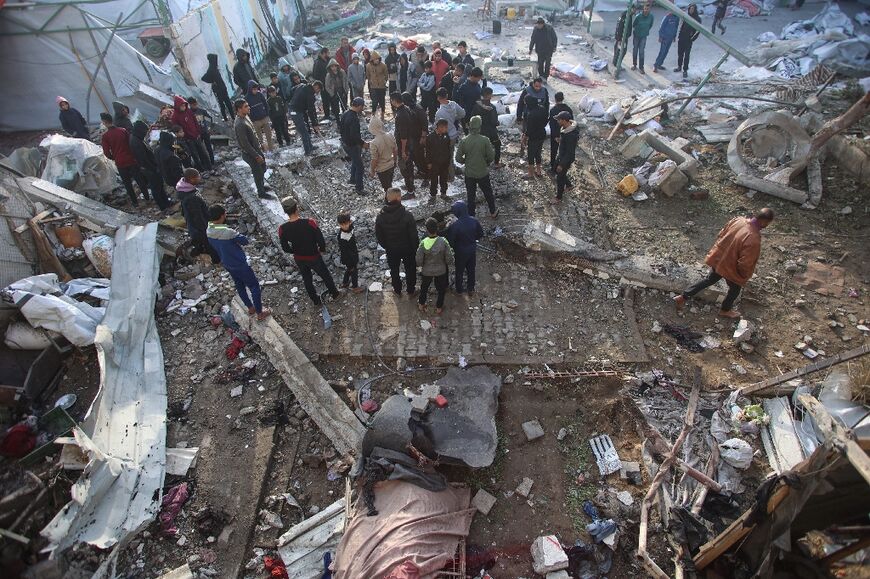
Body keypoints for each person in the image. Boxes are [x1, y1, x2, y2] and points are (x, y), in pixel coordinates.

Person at [674, 209, 775, 319]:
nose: (767, 225)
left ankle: (682, 297)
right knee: (735, 289)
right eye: (768, 223)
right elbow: (745, 263)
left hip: (719, 259)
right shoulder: (753, 238)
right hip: (731, 267)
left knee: (709, 280)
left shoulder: (738, 220)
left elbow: (721, 234)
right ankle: (725, 310)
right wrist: (744, 275)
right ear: (764, 221)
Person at [207, 204, 271, 320]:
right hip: (239, 264)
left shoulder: (209, 230)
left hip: (227, 263)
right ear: (222, 215)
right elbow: (244, 241)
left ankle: (250, 307)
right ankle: (260, 313)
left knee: (239, 285)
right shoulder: (227, 232)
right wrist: (235, 233)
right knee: (254, 286)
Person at [279, 198, 340, 305]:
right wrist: (321, 250)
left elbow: (285, 248)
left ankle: (315, 300)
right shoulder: (310, 223)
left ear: (285, 211)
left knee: (307, 279)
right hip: (313, 256)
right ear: (296, 208)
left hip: (299, 258)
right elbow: (320, 239)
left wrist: (295, 251)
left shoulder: (282, 229)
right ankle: (335, 293)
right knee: (325, 275)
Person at [376, 188, 419, 296]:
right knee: (410, 270)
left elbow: (379, 237)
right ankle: (410, 290)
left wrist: (386, 246)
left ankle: (397, 290)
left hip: (391, 249)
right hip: (407, 249)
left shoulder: (380, 217)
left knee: (394, 270)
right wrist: (415, 249)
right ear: (399, 198)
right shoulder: (408, 216)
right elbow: (414, 236)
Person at [100, 113, 149, 206]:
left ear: (104, 122)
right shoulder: (122, 130)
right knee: (139, 180)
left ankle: (135, 203)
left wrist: (114, 157)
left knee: (128, 184)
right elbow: (130, 143)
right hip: (131, 159)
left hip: (120, 162)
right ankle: (147, 197)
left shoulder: (105, 136)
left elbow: (106, 152)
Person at [456, 115, 497, 218]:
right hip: (482, 172)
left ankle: (471, 216)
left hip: (469, 173)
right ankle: (493, 212)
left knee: (471, 196)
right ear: (480, 126)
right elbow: (491, 157)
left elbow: (458, 158)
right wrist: (485, 162)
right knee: (488, 193)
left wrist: (466, 161)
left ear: (470, 126)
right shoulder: (485, 140)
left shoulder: (464, 141)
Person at [177, 168, 220, 263]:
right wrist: (207, 229)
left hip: (193, 227)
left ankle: (200, 249)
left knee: (203, 242)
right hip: (200, 228)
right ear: (192, 179)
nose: (199, 178)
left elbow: (184, 211)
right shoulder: (192, 198)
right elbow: (198, 218)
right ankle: (217, 260)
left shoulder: (185, 190)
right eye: (198, 177)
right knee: (209, 244)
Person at [233, 99, 272, 199]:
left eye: (248, 105)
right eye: (246, 106)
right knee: (257, 172)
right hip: (250, 153)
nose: (249, 107)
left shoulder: (245, 117)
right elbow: (245, 144)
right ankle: (261, 193)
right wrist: (256, 156)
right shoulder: (240, 124)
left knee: (263, 168)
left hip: (256, 149)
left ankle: (262, 186)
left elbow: (253, 133)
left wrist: (260, 144)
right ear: (239, 109)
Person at [130, 120, 171, 211]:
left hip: (150, 167)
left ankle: (166, 202)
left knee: (159, 185)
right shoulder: (136, 142)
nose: (146, 133)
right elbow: (143, 159)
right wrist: (154, 168)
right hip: (149, 169)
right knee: (156, 187)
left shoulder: (137, 138)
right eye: (145, 131)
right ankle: (163, 206)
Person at [445, 200, 483, 296]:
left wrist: (455, 248)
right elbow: (480, 234)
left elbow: (451, 241)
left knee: (459, 271)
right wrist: (473, 240)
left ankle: (459, 290)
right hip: (472, 249)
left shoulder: (455, 225)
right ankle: (471, 289)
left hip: (460, 251)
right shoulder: (474, 220)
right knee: (471, 270)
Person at [416, 218, 453, 314]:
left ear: (427, 230)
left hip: (427, 271)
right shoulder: (443, 241)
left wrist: (422, 265)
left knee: (424, 288)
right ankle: (439, 308)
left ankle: (421, 304)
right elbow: (449, 258)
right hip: (441, 271)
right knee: (441, 289)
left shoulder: (423, 242)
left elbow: (418, 260)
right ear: (437, 228)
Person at [171, 96, 212, 171]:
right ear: (178, 106)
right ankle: (201, 170)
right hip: (188, 139)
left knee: (203, 152)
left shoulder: (188, 111)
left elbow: (195, 121)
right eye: (182, 106)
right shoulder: (175, 116)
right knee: (195, 155)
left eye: (184, 105)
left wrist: (198, 132)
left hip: (196, 136)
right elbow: (176, 129)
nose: (183, 107)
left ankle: (209, 168)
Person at [391, 92, 416, 197]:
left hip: (405, 146)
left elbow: (403, 136)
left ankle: (410, 191)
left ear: (394, 101)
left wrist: (402, 151)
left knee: (405, 169)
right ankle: (411, 186)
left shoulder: (401, 115)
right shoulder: (406, 109)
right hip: (410, 143)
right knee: (409, 167)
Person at [340, 97, 367, 195]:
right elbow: (354, 135)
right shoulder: (354, 118)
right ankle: (359, 188)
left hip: (345, 143)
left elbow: (341, 129)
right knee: (360, 167)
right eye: (362, 107)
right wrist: (362, 143)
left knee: (355, 161)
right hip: (352, 145)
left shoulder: (345, 113)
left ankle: (352, 179)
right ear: (359, 106)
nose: (363, 109)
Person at [552, 111, 579, 204]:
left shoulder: (570, 135)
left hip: (565, 158)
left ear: (564, 120)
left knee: (560, 178)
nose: (557, 122)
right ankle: (569, 185)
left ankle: (558, 197)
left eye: (559, 120)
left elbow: (570, 152)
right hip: (562, 155)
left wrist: (562, 164)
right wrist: (561, 140)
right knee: (555, 169)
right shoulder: (567, 128)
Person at [289, 80, 321, 155]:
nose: (318, 92)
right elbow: (311, 111)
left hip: (293, 109)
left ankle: (310, 146)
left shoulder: (302, 85)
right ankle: (307, 151)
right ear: (316, 86)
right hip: (295, 112)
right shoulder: (310, 95)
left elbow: (292, 90)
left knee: (305, 129)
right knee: (304, 131)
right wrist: (315, 124)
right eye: (318, 90)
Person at [472, 87, 502, 168]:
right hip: (491, 131)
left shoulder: (476, 106)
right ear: (489, 95)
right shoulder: (492, 107)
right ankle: (496, 163)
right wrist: (497, 123)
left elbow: (473, 118)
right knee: (497, 145)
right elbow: (494, 121)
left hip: (480, 131)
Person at [368, 116, 397, 192]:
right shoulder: (390, 135)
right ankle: (392, 199)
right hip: (391, 164)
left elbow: (374, 159)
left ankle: (391, 201)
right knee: (389, 184)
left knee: (386, 188)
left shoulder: (374, 143)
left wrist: (372, 171)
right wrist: (395, 161)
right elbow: (395, 150)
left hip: (382, 168)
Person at [202, 53, 234, 121]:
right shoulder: (210, 69)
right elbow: (203, 78)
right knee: (223, 104)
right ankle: (226, 118)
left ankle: (232, 117)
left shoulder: (214, 68)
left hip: (222, 88)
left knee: (227, 103)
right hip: (218, 90)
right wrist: (212, 81)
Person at [336, 211, 363, 293]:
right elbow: (344, 251)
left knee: (349, 270)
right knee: (354, 271)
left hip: (353, 252)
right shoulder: (342, 237)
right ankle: (355, 287)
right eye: (342, 224)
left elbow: (351, 222)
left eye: (346, 223)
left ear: (349, 222)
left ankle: (345, 282)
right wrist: (351, 260)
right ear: (339, 224)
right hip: (349, 257)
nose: (344, 226)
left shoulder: (350, 227)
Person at [244, 81, 273, 154]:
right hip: (255, 121)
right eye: (254, 89)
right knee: (259, 138)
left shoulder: (260, 95)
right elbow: (246, 111)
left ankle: (271, 150)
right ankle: (264, 152)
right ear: (250, 89)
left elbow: (265, 104)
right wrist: (251, 119)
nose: (255, 91)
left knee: (269, 135)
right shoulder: (246, 98)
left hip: (264, 118)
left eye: (256, 89)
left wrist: (267, 114)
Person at [523, 95, 548, 180]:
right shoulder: (543, 109)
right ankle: (539, 171)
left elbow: (529, 129)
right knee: (538, 153)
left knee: (531, 154)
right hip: (542, 134)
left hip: (534, 136)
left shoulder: (531, 114)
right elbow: (546, 121)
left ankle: (530, 173)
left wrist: (524, 138)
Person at [426, 119, 452, 200]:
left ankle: (443, 193)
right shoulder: (430, 137)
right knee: (434, 180)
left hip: (444, 163)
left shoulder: (446, 135)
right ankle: (433, 195)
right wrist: (429, 162)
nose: (447, 129)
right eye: (445, 127)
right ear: (440, 127)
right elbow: (427, 151)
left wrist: (448, 159)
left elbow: (448, 148)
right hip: (434, 163)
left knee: (444, 179)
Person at [675, 4, 702, 78]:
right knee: (680, 54)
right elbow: (682, 26)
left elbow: (698, 31)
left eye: (692, 9)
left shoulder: (697, 19)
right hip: (682, 38)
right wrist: (679, 36)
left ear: (695, 9)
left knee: (686, 55)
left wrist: (693, 39)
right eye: (690, 9)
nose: (691, 10)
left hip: (689, 40)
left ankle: (685, 70)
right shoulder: (686, 16)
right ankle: (679, 66)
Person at [548, 92, 573, 171]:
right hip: (566, 133)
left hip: (555, 134)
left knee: (554, 150)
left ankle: (553, 166)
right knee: (563, 151)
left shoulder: (553, 110)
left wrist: (555, 136)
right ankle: (562, 166)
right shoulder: (568, 109)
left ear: (555, 99)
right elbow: (571, 122)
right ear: (563, 98)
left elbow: (552, 124)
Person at [188, 97, 215, 166]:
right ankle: (204, 163)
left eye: (196, 104)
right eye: (193, 105)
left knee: (209, 148)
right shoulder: (189, 113)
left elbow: (211, 118)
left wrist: (210, 128)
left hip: (205, 132)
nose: (195, 106)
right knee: (200, 150)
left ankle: (212, 162)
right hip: (197, 134)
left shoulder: (202, 111)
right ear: (190, 105)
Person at [631, 3, 654, 74]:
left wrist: (645, 31)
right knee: (635, 50)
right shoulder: (638, 16)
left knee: (641, 52)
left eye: (648, 9)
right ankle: (634, 65)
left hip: (644, 36)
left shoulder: (651, 17)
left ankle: (641, 67)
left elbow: (650, 25)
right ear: (643, 9)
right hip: (637, 36)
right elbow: (634, 25)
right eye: (645, 9)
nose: (646, 10)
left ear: (650, 9)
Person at [367, 51, 388, 120]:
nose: (377, 60)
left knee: (382, 100)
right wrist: (371, 81)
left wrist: (384, 81)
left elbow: (386, 75)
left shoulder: (383, 65)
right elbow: (368, 75)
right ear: (372, 59)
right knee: (374, 101)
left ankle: (382, 113)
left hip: (382, 86)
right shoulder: (368, 66)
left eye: (378, 59)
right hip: (373, 86)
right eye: (375, 59)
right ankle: (373, 113)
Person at [312, 48, 333, 120]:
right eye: (327, 53)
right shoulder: (318, 63)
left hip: (330, 83)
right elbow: (315, 75)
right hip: (323, 84)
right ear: (323, 53)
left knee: (332, 98)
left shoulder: (328, 60)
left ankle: (333, 111)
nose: (328, 54)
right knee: (325, 100)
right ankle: (327, 114)